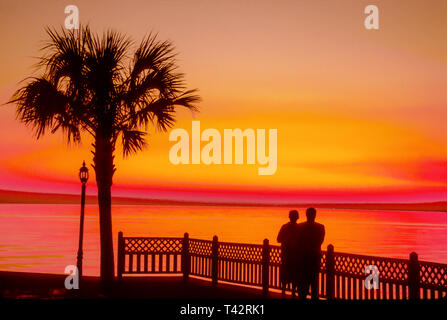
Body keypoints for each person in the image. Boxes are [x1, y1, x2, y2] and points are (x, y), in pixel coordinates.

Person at [296, 207, 325, 300]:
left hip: (302, 258)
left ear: (306, 215)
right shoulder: (320, 227)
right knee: (314, 282)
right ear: (315, 215)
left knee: (302, 283)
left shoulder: (300, 227)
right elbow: (320, 241)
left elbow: (298, 242)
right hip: (315, 257)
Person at [277, 209, 300, 296]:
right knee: (294, 273)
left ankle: (283, 291)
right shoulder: (299, 228)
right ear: (297, 217)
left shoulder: (284, 227)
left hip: (285, 255)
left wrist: (286, 241)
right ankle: (293, 292)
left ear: (289, 217)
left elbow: (278, 239)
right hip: (295, 256)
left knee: (285, 273)